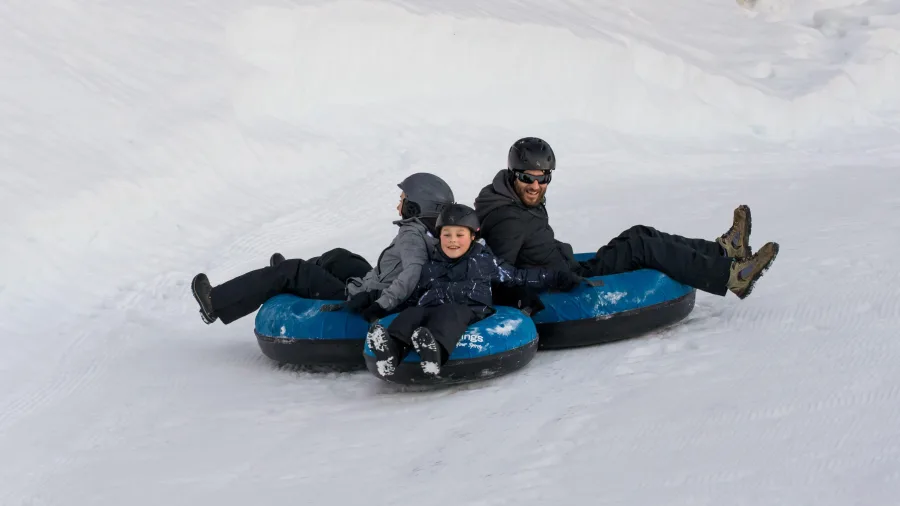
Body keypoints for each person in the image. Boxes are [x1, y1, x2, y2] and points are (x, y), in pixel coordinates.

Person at [473, 137, 780, 315]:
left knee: (639, 234)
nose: (536, 185)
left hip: (566, 267)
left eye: (544, 178)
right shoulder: (507, 218)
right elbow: (500, 276)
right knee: (643, 245)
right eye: (528, 177)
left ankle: (725, 251)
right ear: (513, 175)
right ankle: (731, 277)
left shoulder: (516, 201)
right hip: (569, 282)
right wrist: (539, 289)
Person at [190, 173, 455, 325]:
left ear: (416, 207)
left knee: (292, 271)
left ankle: (215, 302)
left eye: (403, 201)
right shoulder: (431, 234)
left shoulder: (412, 238)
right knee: (340, 257)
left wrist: (379, 303)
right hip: (370, 282)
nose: (398, 205)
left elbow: (412, 273)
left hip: (360, 296)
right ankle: (287, 277)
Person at [365, 203, 584, 377]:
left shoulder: (483, 261)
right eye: (447, 235)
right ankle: (391, 352)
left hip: (468, 310)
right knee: (412, 313)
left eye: (459, 235)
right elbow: (412, 295)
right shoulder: (429, 267)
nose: (452, 241)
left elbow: (518, 276)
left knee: (449, 313)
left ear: (472, 236)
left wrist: (558, 277)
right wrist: (381, 307)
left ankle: (435, 353)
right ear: (439, 236)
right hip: (429, 308)